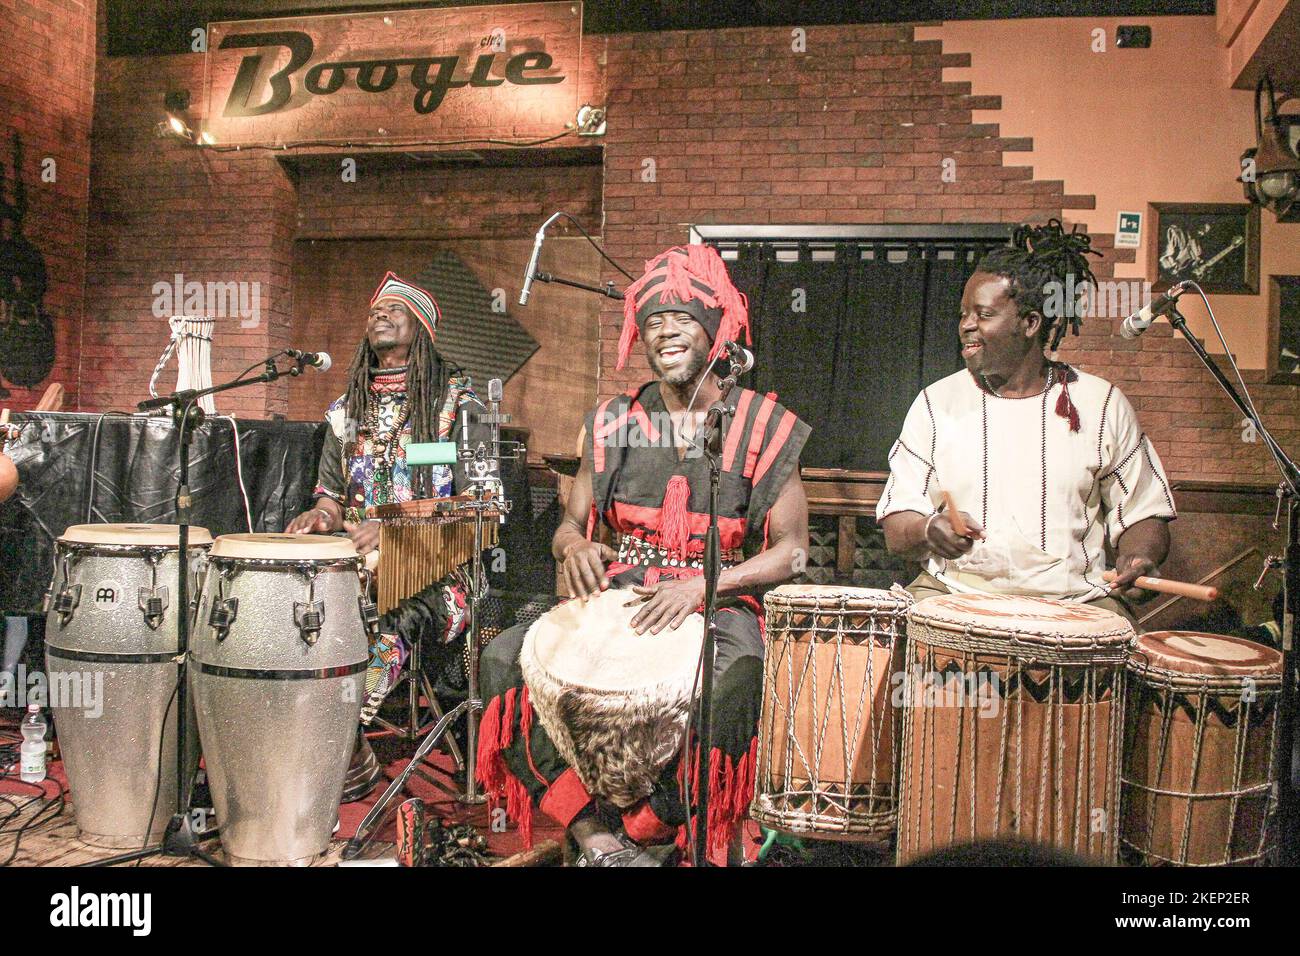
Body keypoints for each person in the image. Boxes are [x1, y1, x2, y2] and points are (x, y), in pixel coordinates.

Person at [473, 245, 811, 866]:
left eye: (681, 319)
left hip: (717, 600)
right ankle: (592, 835)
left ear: (716, 331)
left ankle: (650, 823)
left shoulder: (765, 424)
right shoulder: (611, 421)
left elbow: (793, 554)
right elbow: (571, 523)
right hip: (619, 594)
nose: (665, 332)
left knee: (736, 683)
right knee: (500, 660)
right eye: (653, 322)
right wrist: (572, 545)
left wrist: (704, 589)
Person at [878, 220, 1176, 623]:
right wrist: (930, 528)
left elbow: (1144, 513)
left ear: (1030, 323)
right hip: (953, 591)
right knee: (891, 641)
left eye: (982, 315)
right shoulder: (936, 403)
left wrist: (1139, 558)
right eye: (964, 314)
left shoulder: (1101, 403)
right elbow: (898, 525)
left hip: (1076, 602)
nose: (966, 325)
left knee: (1120, 646)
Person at [286, 272, 494, 800]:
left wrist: (396, 525)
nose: (379, 312)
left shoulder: (459, 406)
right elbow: (330, 495)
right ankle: (306, 738)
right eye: (375, 308)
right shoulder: (344, 412)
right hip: (359, 568)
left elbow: (485, 507)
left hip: (445, 575)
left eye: (394, 307)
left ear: (421, 328)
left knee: (390, 619)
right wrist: (324, 517)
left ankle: (339, 735)